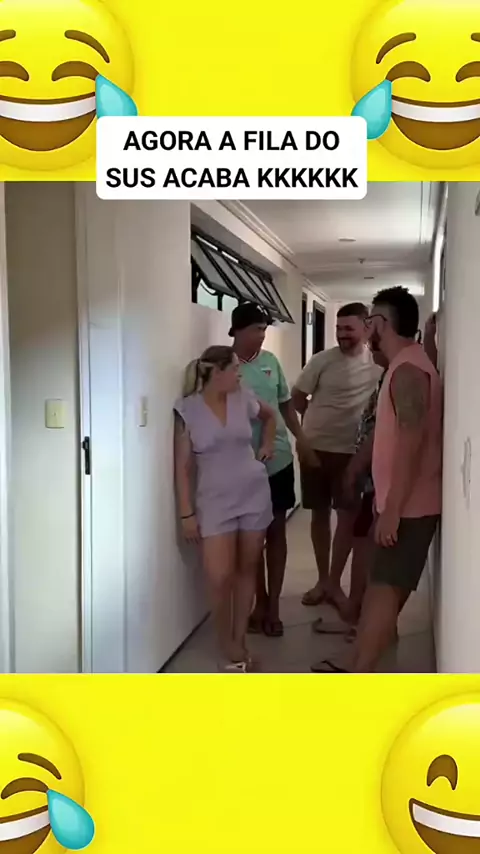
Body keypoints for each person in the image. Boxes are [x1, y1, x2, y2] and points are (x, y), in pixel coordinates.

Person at [313, 287, 442, 673]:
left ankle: (361, 669)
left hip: (410, 508)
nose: (367, 330)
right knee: (380, 585)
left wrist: (393, 511)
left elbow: (412, 442)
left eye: (370, 321)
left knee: (385, 590)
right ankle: (360, 659)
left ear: (382, 323)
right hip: (400, 503)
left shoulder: (407, 371)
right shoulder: (407, 363)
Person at [173, 345, 277, 672]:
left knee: (248, 568)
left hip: (253, 493)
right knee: (219, 577)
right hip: (214, 501)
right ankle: (225, 642)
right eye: (234, 369)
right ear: (217, 372)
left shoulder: (243, 398)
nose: (239, 374)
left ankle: (239, 638)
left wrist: (267, 444)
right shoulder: (187, 409)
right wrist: (186, 514)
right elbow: (183, 468)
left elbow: (270, 416)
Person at [229, 302, 317, 637]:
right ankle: (260, 603)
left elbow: (286, 406)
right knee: (251, 538)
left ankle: (274, 607)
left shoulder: (270, 362)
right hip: (241, 465)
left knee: (276, 531)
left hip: (277, 459)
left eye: (264, 329)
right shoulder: (224, 366)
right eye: (256, 329)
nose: (262, 336)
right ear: (237, 330)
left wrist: (301, 439)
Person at [292, 302, 382, 614]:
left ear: (366, 328)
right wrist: (313, 427)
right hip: (315, 448)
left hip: (351, 453)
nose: (342, 334)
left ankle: (334, 583)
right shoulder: (322, 361)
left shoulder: (377, 365)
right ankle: (322, 581)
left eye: (348, 328)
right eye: (338, 328)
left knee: (346, 517)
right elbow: (297, 398)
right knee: (318, 515)